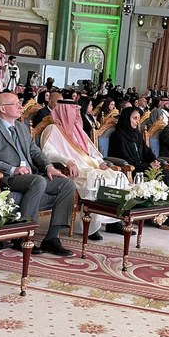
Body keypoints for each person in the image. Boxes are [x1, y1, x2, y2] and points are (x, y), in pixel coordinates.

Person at [0, 92, 77, 256]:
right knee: (38, 182)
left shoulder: (21, 127)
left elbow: (35, 151)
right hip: (10, 177)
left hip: (31, 175)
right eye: (15, 104)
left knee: (67, 184)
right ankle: (23, 237)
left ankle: (52, 238)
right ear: (2, 108)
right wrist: (12, 169)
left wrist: (49, 166)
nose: (20, 107)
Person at [40, 99, 127, 240]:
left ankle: (113, 220)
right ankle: (92, 226)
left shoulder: (78, 130)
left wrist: (100, 162)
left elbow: (93, 152)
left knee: (115, 177)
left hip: (90, 166)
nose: (77, 114)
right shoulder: (52, 129)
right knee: (96, 182)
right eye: (74, 111)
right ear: (65, 111)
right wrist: (66, 161)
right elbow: (47, 152)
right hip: (74, 170)